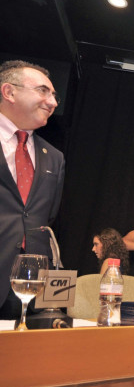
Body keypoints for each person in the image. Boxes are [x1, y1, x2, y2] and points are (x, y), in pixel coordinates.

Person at [0, 60, 65, 320]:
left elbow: (46, 216)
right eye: (42, 91)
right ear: (9, 92)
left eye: (54, 95)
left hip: (30, 290)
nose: (53, 102)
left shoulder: (54, 157)